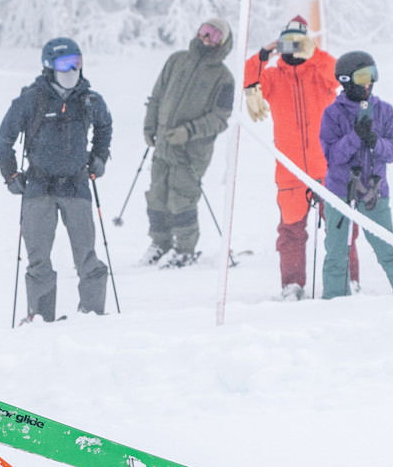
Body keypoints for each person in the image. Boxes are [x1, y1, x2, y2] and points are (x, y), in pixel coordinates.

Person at [0, 37, 113, 322]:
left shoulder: (90, 99)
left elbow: (104, 127)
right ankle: (41, 318)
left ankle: (93, 315)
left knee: (87, 256)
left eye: (76, 62)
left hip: (77, 185)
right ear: (49, 65)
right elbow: (4, 139)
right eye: (64, 63)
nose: (71, 69)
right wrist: (10, 174)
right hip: (38, 187)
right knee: (38, 259)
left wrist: (99, 157)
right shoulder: (31, 98)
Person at [244, 16, 339, 298]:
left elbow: (336, 75)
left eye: (298, 42)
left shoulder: (320, 72)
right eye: (287, 42)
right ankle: (292, 285)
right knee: (290, 233)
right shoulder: (273, 77)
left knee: (339, 227)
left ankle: (345, 281)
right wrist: (262, 55)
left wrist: (315, 53)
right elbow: (249, 78)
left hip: (326, 167)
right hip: (290, 170)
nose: (293, 48)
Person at [317, 51, 393, 299]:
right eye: (362, 76)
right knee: (336, 253)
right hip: (340, 192)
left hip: (374, 192)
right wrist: (354, 137)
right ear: (345, 79)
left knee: (388, 250)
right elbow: (332, 156)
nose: (369, 82)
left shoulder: (384, 111)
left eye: (372, 75)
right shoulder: (332, 114)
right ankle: (334, 303)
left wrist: (374, 141)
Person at [139, 18, 236, 269]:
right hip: (164, 142)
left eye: (214, 35)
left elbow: (220, 119)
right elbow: (157, 96)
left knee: (181, 197)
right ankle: (161, 243)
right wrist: (150, 126)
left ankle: (185, 249)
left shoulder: (224, 78)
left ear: (222, 42)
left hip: (192, 151)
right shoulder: (176, 60)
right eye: (204, 31)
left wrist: (189, 131)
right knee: (157, 195)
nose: (206, 38)